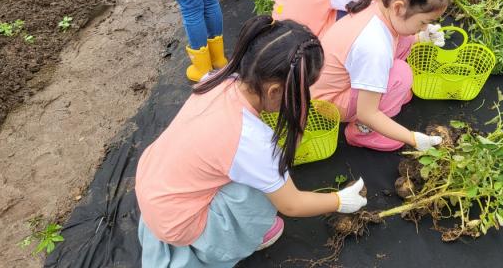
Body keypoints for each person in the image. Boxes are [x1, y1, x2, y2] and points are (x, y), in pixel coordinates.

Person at [136, 17, 369, 268]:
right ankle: (221, 242)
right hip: (178, 221)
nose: (303, 96)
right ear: (274, 91)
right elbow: (291, 204)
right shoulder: (249, 139)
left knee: (258, 172)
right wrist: (339, 200)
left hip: (154, 188)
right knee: (259, 191)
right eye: (301, 89)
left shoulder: (218, 79)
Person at [310, 0, 450, 152]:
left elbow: (398, 36)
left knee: (404, 39)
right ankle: (361, 132)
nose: (425, 26)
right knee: (402, 76)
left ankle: (387, 93)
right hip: (331, 102)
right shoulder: (374, 46)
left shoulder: (379, 3)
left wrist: (420, 36)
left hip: (331, 82)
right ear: (399, 7)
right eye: (423, 22)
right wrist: (413, 139)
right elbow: (367, 113)